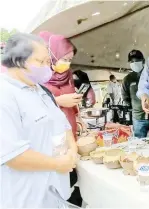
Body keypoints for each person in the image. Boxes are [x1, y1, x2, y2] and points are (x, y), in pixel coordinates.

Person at [0, 33, 77, 208]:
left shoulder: (42, 90)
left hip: (56, 192)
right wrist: (58, 164)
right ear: (19, 60)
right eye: (41, 62)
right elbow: (13, 155)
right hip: (27, 198)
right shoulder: (4, 94)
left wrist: (72, 151)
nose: (47, 67)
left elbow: (63, 125)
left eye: (48, 61)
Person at [38, 31, 83, 206]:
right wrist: (57, 101)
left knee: (70, 174)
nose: (67, 63)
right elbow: (35, 104)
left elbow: (72, 100)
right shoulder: (40, 77)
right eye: (64, 58)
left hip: (70, 130)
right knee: (56, 178)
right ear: (52, 54)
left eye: (70, 60)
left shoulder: (68, 75)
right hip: (51, 135)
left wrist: (78, 116)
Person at [121, 50, 149, 138]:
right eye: (132, 61)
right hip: (138, 118)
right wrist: (133, 107)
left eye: (137, 61)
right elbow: (125, 97)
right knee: (139, 142)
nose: (134, 63)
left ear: (143, 61)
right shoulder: (127, 79)